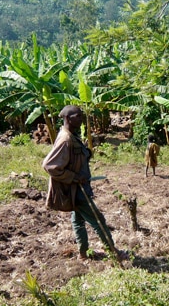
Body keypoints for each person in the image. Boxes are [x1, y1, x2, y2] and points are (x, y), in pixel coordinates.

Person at [42, 105, 126, 261]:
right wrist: (72, 177)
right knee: (98, 220)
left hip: (79, 188)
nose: (81, 119)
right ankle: (114, 253)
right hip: (77, 190)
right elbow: (49, 166)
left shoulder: (71, 136)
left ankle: (83, 253)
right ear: (68, 118)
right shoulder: (66, 139)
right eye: (78, 116)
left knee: (78, 220)